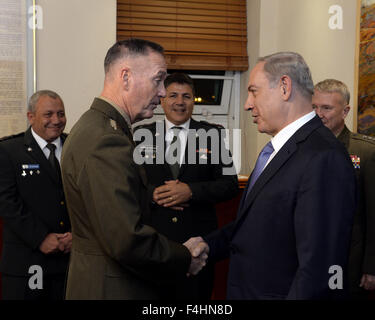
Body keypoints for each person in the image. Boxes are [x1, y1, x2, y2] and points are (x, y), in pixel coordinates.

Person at [186, 52, 357, 299]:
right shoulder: (277, 150)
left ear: (285, 87)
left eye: (254, 91)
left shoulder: (324, 157)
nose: (247, 103)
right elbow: (258, 225)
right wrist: (208, 244)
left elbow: (319, 269)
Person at [61, 38, 207, 300]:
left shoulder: (98, 126)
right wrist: (184, 256)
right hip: (112, 287)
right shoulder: (106, 139)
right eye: (158, 79)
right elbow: (126, 240)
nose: (163, 92)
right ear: (125, 77)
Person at [134, 73, 239, 299]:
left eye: (186, 96)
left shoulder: (213, 134)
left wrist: (191, 191)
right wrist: (153, 194)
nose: (179, 102)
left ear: (194, 100)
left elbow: (229, 184)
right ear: (161, 99)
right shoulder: (141, 135)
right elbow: (129, 185)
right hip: (156, 243)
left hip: (198, 246)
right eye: (173, 95)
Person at [0, 90, 71, 300]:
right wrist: (40, 238)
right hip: (27, 262)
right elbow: (7, 203)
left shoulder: (75, 146)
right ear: (31, 117)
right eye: (48, 114)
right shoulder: (9, 150)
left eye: (61, 114)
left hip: (70, 260)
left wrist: (77, 234)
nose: (56, 121)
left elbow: (87, 196)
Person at [313, 79, 375, 298]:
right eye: (315, 107)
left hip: (348, 259)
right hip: (310, 259)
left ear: (345, 110)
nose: (318, 114)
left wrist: (371, 267)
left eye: (326, 108)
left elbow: (372, 215)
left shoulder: (365, 152)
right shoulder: (303, 149)